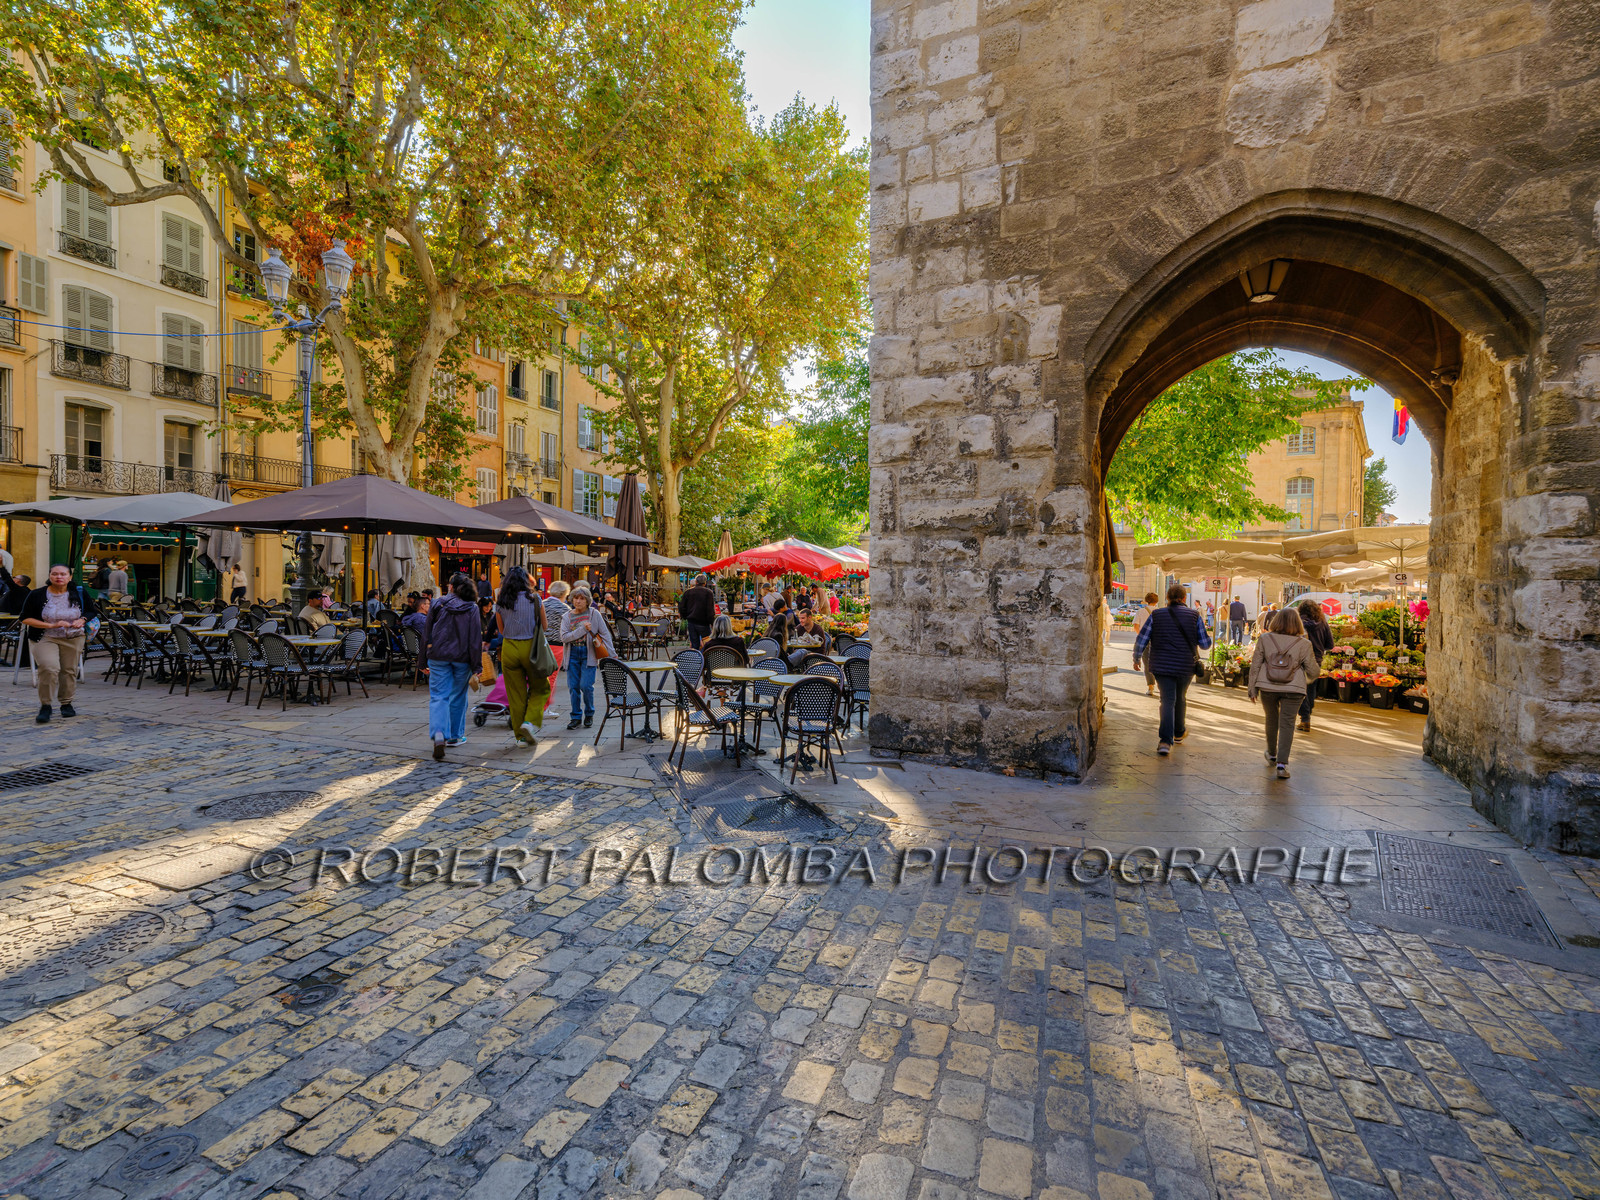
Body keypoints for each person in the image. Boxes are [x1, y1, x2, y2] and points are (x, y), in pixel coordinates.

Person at [1131, 583, 1212, 756]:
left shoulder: (1157, 615)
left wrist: (1136, 657)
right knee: (1181, 697)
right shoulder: (1194, 616)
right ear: (1184, 598)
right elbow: (1205, 644)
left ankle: (1165, 742)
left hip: (1161, 665)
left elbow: (1142, 638)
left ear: (1167, 598)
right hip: (1185, 665)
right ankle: (1179, 733)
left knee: (1167, 700)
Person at [1248, 606, 1321, 778]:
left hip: (1268, 687)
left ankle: (1272, 754)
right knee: (1287, 724)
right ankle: (1282, 764)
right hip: (1294, 689)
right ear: (1298, 623)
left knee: (1271, 719)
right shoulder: (1304, 644)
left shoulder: (1265, 639)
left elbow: (1255, 665)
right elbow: (1313, 671)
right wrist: (1304, 676)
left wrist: (1252, 688)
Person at [20, 564, 98, 723]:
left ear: (69, 577)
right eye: (55, 574)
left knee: (68, 670)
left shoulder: (80, 593)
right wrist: (50, 625)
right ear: (49, 576)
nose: (59, 577)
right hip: (45, 636)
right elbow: (24, 617)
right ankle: (46, 705)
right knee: (49, 667)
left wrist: (82, 619)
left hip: (74, 637)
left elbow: (91, 611)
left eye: (63, 574)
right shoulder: (37, 594)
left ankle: (66, 703)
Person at [426, 573, 484, 759]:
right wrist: (477, 666)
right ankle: (455, 736)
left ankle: (439, 733)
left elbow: (426, 633)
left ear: (450, 586)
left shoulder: (436, 603)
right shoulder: (472, 607)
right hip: (462, 658)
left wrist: (420, 661)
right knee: (458, 696)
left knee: (438, 696)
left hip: (437, 656)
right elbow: (475, 639)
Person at [496, 566, 552, 745]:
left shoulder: (501, 601)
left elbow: (501, 630)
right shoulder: (535, 599)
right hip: (531, 648)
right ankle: (530, 722)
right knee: (541, 687)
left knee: (516, 695)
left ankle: (520, 737)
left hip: (509, 648)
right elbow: (545, 626)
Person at [558, 587, 615, 729]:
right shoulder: (567, 617)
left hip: (588, 653)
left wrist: (612, 654)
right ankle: (576, 716)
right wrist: (582, 629)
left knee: (586, 686)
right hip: (571, 654)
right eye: (576, 598)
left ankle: (589, 713)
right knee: (573, 687)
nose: (578, 601)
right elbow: (564, 638)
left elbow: (605, 634)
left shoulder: (594, 614)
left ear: (587, 600)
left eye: (582, 598)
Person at [1295, 599, 1335, 732]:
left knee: (1299, 690)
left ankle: (1305, 718)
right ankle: (1307, 715)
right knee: (1311, 689)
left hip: (1299, 659)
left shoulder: (1297, 622)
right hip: (1316, 660)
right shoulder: (1323, 622)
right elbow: (1330, 644)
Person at [1130, 591, 1159, 697]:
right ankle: (1161, 685)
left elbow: (1136, 626)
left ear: (1147, 600)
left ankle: (1150, 687)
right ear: (1156, 601)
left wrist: (1141, 636)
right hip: (1157, 641)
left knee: (1147, 664)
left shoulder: (1141, 611)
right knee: (1158, 662)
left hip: (1145, 641)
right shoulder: (1160, 611)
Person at [678, 573, 717, 649]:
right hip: (704, 623)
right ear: (705, 583)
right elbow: (710, 610)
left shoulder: (688, 592)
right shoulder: (708, 593)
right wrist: (712, 622)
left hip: (691, 622)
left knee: (694, 644)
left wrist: (685, 617)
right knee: (707, 644)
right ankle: (705, 659)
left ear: (696, 582)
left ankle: (696, 659)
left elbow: (682, 607)